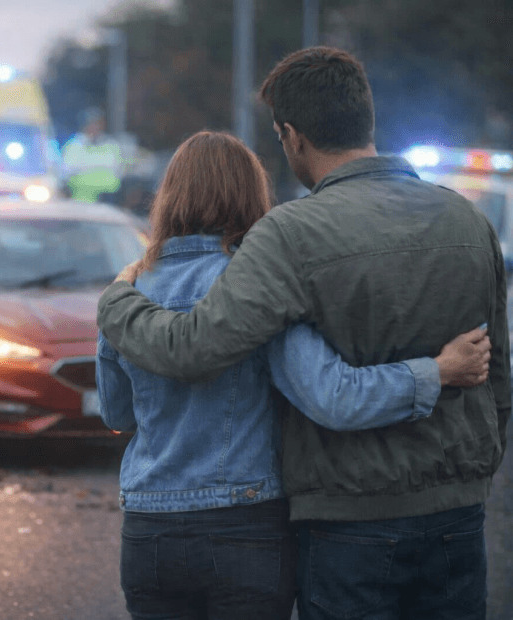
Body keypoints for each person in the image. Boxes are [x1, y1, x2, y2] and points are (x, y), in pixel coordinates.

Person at [97, 46, 510, 620]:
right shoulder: (470, 219)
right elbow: (500, 377)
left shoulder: (290, 237)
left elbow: (186, 354)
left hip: (342, 520)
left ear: (292, 136)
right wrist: (467, 446)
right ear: (366, 116)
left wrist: (117, 303)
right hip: (456, 512)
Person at [62, 108, 123, 202]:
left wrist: (86, 170)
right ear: (85, 125)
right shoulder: (73, 145)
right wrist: (99, 172)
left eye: (99, 123)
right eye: (93, 123)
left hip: (108, 201)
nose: (96, 127)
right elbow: (67, 174)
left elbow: (116, 174)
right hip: (79, 202)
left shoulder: (111, 144)